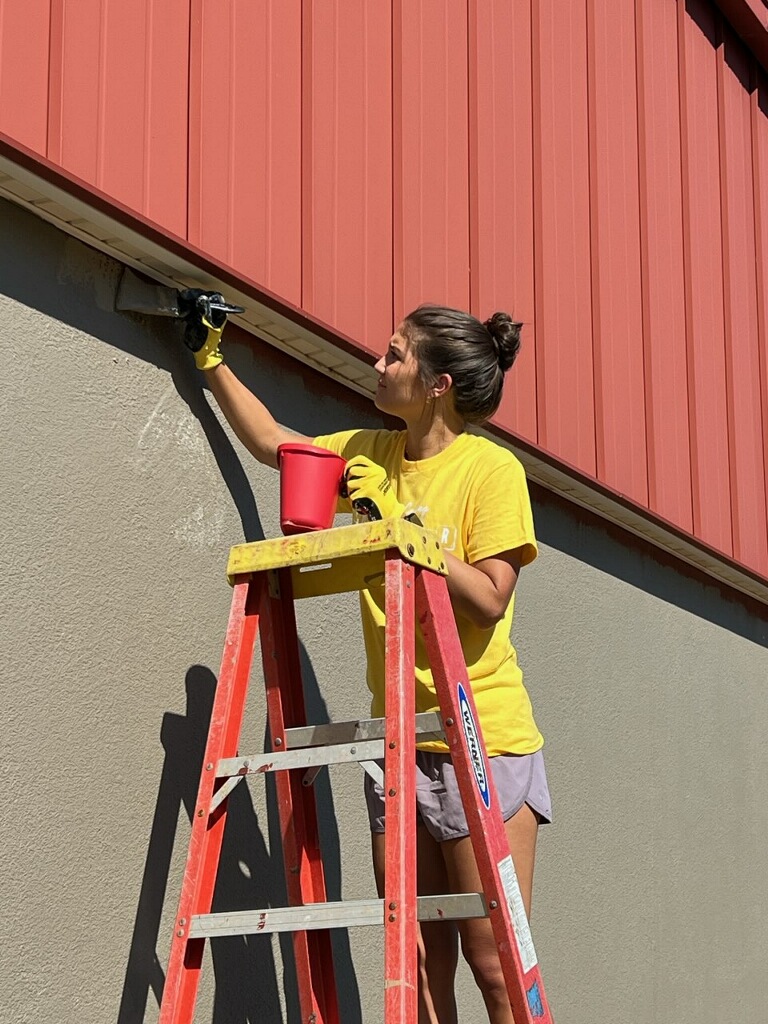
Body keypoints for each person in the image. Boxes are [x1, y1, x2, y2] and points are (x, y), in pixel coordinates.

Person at [183, 297, 552, 1024]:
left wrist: (397, 526)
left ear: (438, 383)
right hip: (400, 743)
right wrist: (209, 358)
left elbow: (489, 597)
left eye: (394, 355)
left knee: (494, 964)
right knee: (414, 965)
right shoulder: (372, 454)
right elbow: (272, 443)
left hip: (484, 740)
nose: (376, 366)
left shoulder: (491, 471)